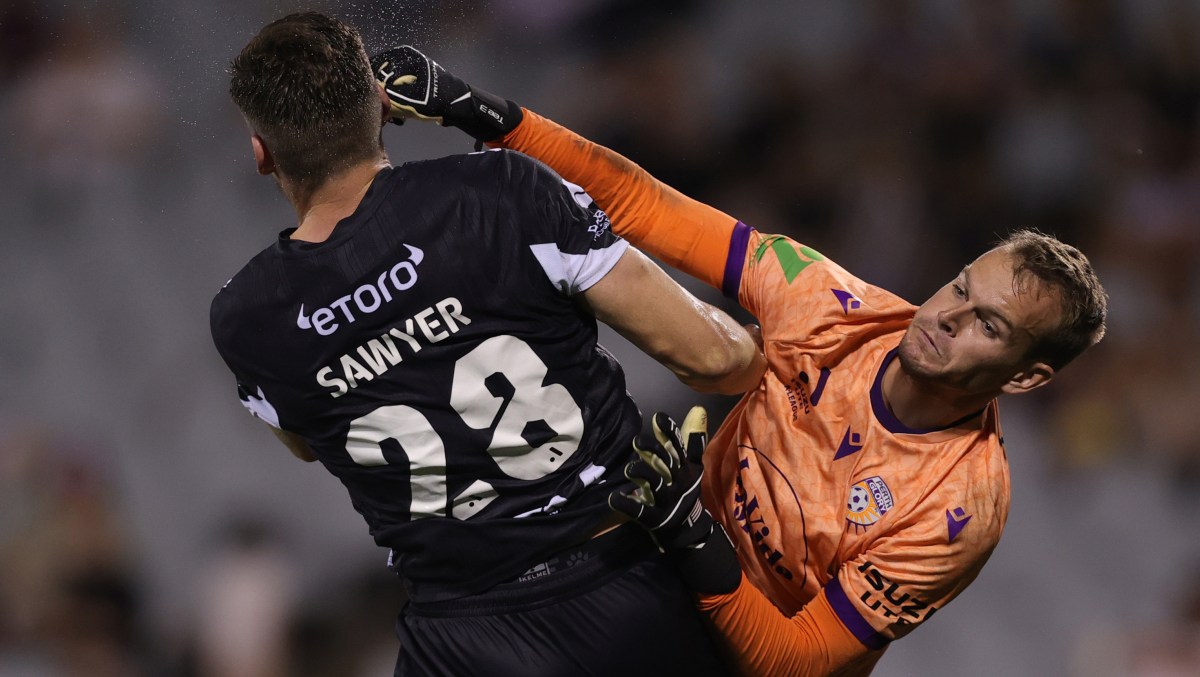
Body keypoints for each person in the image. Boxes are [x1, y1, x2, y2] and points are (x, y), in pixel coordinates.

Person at [371, 46, 1109, 675]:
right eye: (959, 285)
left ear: (1025, 376)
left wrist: (695, 531)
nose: (945, 315)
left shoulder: (957, 513)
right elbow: (647, 206)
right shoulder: (830, 303)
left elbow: (800, 660)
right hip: (646, 594)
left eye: (986, 322)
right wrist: (490, 116)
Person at [209, 13, 766, 676]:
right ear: (382, 108)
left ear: (262, 153)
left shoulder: (247, 318)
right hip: (625, 589)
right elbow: (716, 358)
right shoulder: (501, 192)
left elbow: (307, 439)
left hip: (459, 642)